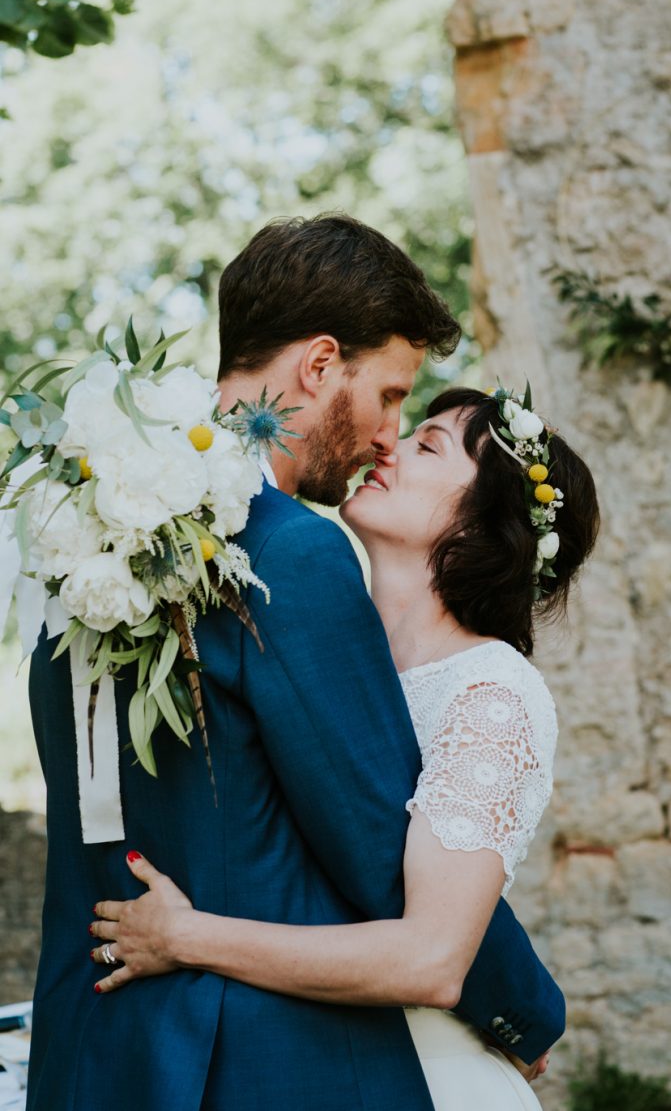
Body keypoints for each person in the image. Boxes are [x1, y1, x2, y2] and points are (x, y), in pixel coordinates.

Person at [27, 215, 566, 1111]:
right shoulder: (288, 554)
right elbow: (373, 848)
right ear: (320, 366)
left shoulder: (75, 534)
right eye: (391, 395)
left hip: (92, 1053)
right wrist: (524, 1009)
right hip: (248, 1062)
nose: (389, 433)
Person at [90, 384, 600, 1110]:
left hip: (422, 1074)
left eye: (427, 444)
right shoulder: (324, 655)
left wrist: (186, 936)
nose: (386, 443)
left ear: (486, 519)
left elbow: (430, 961)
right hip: (302, 1064)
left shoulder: (491, 693)